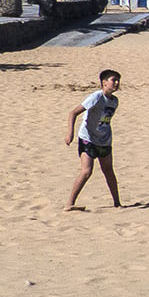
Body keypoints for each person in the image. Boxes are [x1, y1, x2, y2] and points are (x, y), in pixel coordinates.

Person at [65, 69, 121, 209]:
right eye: (113, 80)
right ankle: (69, 204)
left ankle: (117, 203)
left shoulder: (115, 101)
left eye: (118, 80)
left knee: (108, 171)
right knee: (86, 171)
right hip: (87, 138)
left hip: (104, 140)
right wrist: (70, 133)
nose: (117, 83)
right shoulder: (96, 97)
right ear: (104, 82)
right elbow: (73, 113)